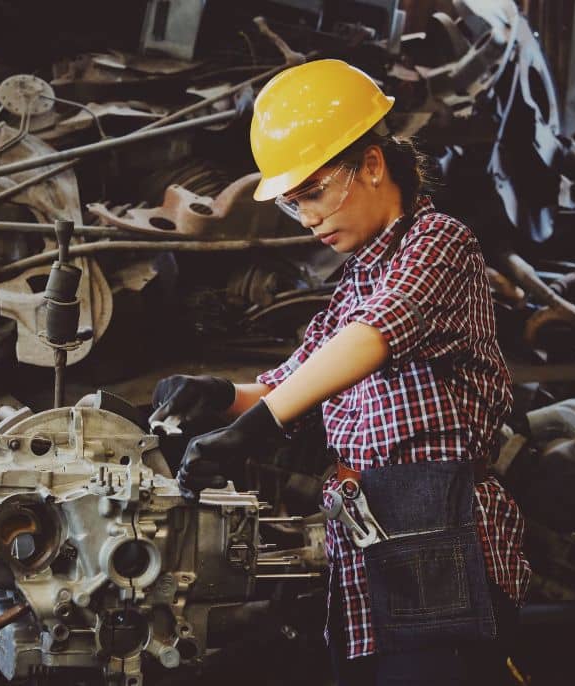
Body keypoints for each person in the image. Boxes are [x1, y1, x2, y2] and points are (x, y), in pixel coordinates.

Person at [149, 59, 531, 685]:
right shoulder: (355, 283)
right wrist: (218, 397)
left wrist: (259, 427)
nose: (307, 219)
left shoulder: (439, 243)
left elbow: (373, 337)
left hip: (439, 535)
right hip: (365, 540)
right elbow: (291, 381)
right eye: (295, 203)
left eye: (316, 192)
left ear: (373, 165)